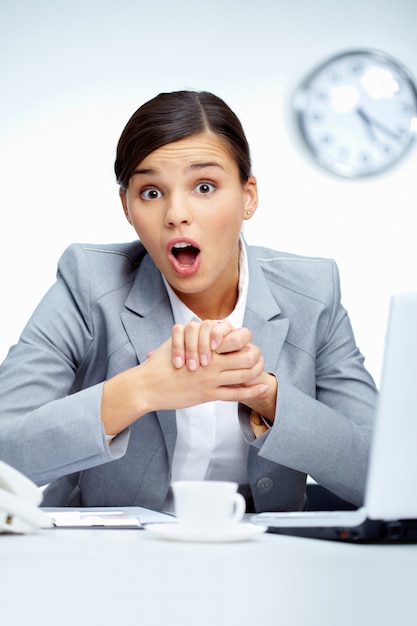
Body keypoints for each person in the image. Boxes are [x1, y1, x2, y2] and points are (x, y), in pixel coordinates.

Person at [0, 90, 377, 513]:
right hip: (110, 561)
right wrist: (142, 389)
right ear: (126, 206)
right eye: (151, 192)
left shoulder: (314, 292)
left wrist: (265, 396)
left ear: (248, 196)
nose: (176, 213)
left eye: (204, 186)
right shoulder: (88, 284)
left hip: (264, 562)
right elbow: (4, 453)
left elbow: (383, 476)